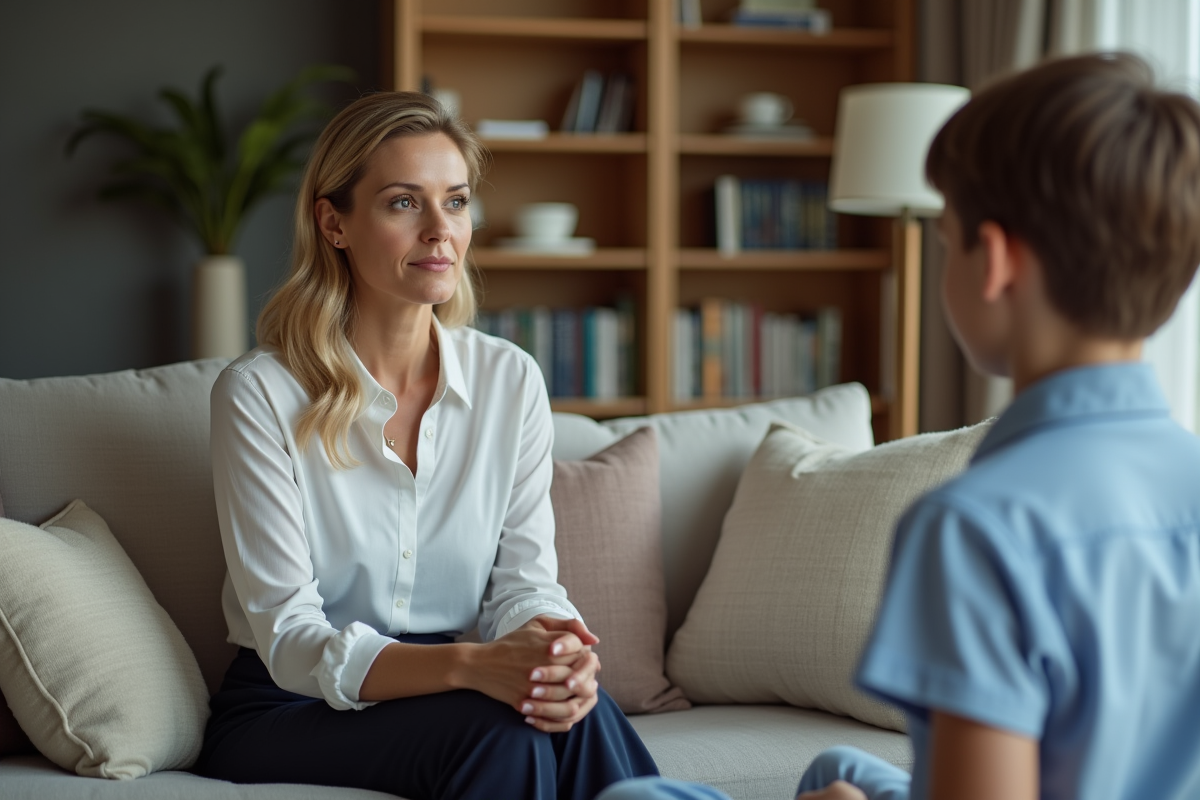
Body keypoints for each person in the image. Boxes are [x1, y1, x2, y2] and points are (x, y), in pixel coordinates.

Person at [599, 51, 1200, 800]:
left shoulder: (978, 525)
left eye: (947, 239)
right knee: (840, 769)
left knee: (634, 797)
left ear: (997, 263)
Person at [194, 91, 659, 800]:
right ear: (334, 222)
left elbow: (524, 582)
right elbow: (289, 636)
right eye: (405, 204)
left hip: (461, 681)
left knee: (574, 715)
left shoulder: (510, 380)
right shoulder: (259, 395)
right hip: (290, 705)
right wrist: (471, 668)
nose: (441, 231)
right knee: (499, 726)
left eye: (457, 201)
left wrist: (554, 648)